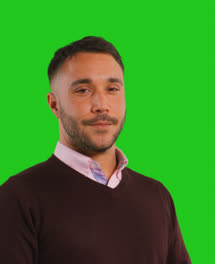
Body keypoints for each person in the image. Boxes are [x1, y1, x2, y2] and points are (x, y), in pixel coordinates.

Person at [0, 36, 191, 264]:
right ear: (54, 104)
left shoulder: (157, 196)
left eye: (112, 88)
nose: (101, 104)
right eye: (83, 90)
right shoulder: (18, 198)